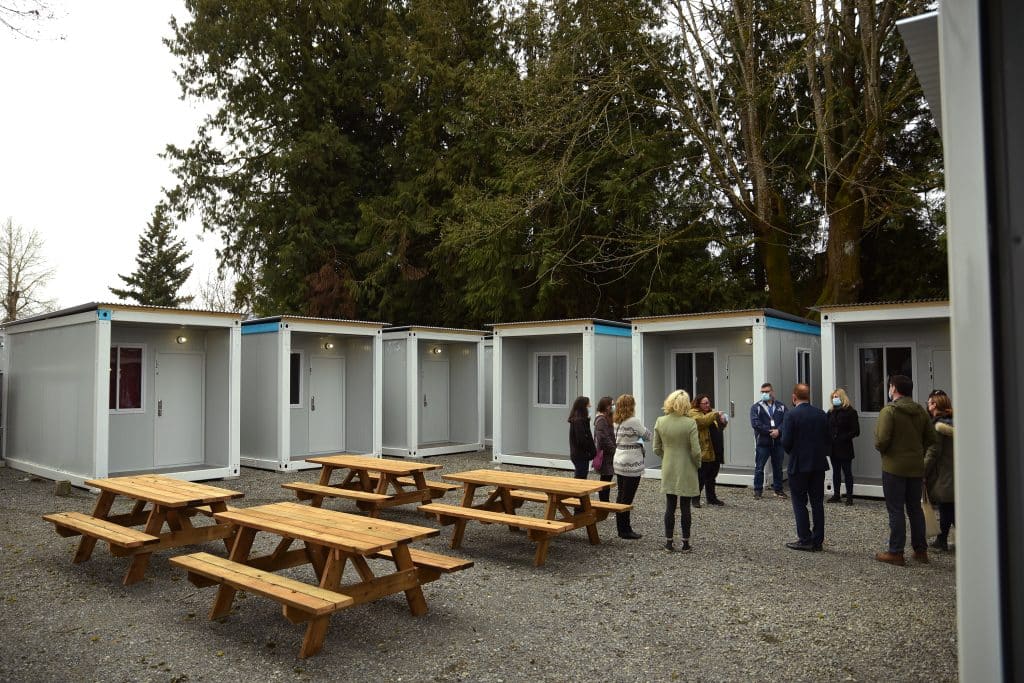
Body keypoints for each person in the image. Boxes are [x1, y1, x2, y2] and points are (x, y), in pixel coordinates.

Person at [874, 375, 937, 566]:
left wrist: (884, 449)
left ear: (893, 388)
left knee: (895, 510)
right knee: (915, 509)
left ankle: (896, 551)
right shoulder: (920, 411)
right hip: (916, 468)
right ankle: (920, 550)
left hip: (893, 467)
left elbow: (881, 441)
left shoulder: (889, 411)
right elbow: (931, 439)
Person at [780, 383, 831, 551]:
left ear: (794, 397)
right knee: (817, 503)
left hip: (799, 464)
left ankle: (805, 538)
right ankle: (818, 540)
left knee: (799, 502)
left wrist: (793, 452)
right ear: (808, 396)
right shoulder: (821, 414)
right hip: (818, 464)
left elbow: (786, 441)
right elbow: (828, 438)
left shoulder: (791, 415)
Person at [654, 389, 702, 552]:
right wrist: (697, 463)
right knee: (685, 507)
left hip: (668, 466)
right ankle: (685, 542)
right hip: (687, 467)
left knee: (670, 505)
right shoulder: (690, 423)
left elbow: (656, 448)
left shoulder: (661, 421)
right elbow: (696, 450)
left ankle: (668, 541)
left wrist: (667, 457)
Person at [612, 394, 649, 540]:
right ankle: (625, 530)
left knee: (621, 494)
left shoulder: (616, 421)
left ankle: (621, 527)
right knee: (627, 497)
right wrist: (638, 438)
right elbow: (648, 436)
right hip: (632, 461)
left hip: (619, 459)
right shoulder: (633, 421)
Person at [925, 390, 955, 551]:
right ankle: (944, 539)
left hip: (943, 472)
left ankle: (942, 540)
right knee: (950, 506)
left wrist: (923, 470)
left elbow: (934, 452)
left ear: (934, 405)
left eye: (929, 402)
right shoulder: (954, 422)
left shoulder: (938, 426)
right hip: (953, 470)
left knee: (946, 507)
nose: (927, 405)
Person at [749, 382, 787, 499]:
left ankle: (778, 489)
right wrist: (771, 431)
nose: (765, 394)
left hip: (778, 442)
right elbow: (755, 424)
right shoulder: (756, 407)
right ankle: (758, 490)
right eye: (763, 392)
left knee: (778, 467)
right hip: (763, 443)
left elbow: (786, 421)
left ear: (772, 392)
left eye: (767, 391)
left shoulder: (781, 406)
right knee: (759, 467)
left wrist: (778, 431)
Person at [689, 394, 727, 506]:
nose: (707, 405)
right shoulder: (693, 413)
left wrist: (723, 421)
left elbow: (719, 427)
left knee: (712, 476)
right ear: (698, 404)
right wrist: (715, 414)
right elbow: (702, 422)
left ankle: (711, 498)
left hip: (716, 449)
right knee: (701, 476)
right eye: (705, 403)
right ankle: (695, 499)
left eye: (708, 402)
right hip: (704, 449)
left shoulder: (711, 413)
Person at [827, 388, 860, 505]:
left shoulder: (851, 412)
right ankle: (836, 495)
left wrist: (843, 437)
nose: (835, 399)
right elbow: (827, 427)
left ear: (842, 398)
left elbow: (856, 431)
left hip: (845, 447)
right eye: (833, 397)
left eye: (837, 397)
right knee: (835, 472)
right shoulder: (830, 412)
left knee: (847, 472)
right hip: (833, 447)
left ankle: (849, 497)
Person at [592, 396, 617, 503]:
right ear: (606, 407)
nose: (613, 406)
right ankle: (604, 503)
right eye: (612, 404)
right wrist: (614, 449)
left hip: (608, 454)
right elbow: (603, 438)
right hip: (606, 455)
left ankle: (605, 501)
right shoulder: (601, 419)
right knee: (605, 480)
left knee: (606, 479)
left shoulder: (606, 418)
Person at [567, 396, 596, 480]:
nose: (590, 406)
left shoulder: (581, 420)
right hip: (580, 455)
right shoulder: (578, 421)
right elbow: (582, 440)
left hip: (580, 454)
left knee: (581, 476)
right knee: (580, 478)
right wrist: (590, 452)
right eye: (588, 404)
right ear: (583, 406)